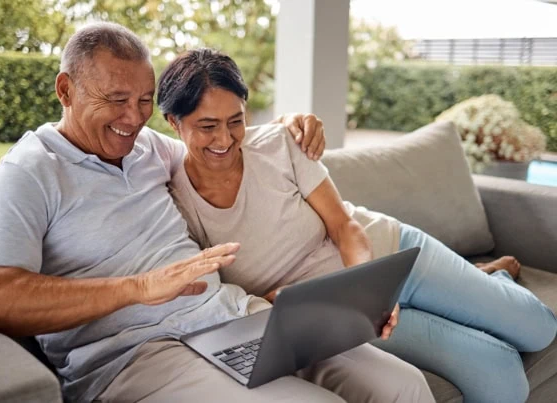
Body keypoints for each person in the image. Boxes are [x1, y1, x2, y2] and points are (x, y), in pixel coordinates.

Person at [0, 22, 431, 403]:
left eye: (144, 100)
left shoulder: (146, 148)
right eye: (116, 100)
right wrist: (140, 288)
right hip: (136, 356)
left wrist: (289, 126)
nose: (132, 117)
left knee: (403, 384)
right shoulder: (32, 169)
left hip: (231, 317)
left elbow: (214, 141)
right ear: (65, 90)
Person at [164, 48, 557, 403]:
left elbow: (343, 225)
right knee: (502, 380)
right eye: (207, 126)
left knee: (540, 329)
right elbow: (218, 298)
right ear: (172, 123)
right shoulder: (171, 203)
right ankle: (484, 278)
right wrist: (286, 301)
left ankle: (492, 280)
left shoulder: (279, 143)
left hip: (388, 255)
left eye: (236, 120)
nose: (226, 139)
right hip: (339, 313)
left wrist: (368, 293)